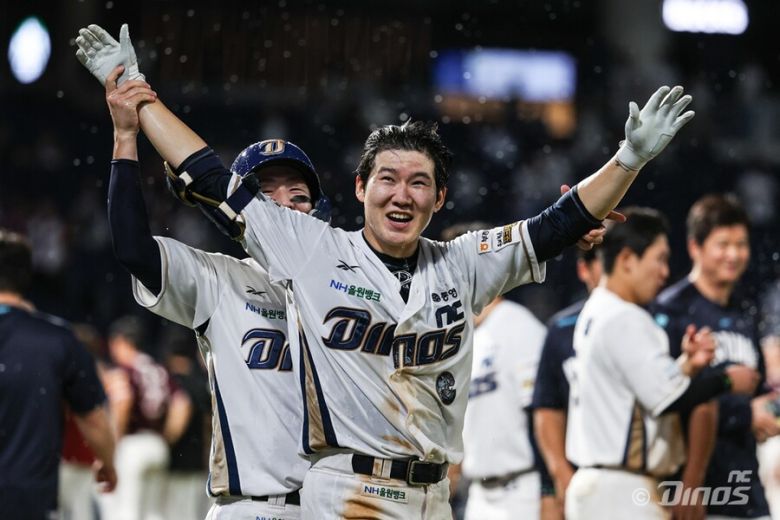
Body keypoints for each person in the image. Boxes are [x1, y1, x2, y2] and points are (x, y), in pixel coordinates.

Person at [78, 24, 694, 518]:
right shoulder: (310, 249)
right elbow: (209, 176)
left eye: (419, 183)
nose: (402, 194)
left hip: (433, 495)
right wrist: (136, 95)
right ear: (360, 188)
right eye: (388, 179)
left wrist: (628, 159)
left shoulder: (461, 264)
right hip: (346, 491)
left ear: (440, 198)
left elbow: (555, 224)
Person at [76, 25, 330, 520]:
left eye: (298, 196)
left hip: (332, 508)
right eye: (266, 195)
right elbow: (134, 250)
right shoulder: (221, 279)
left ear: (320, 211)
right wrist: (125, 137)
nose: (284, 206)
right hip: (248, 507)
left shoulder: (349, 284)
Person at [564, 207, 758, 520]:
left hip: (599, 486)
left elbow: (640, 392)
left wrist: (686, 366)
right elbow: (667, 400)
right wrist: (726, 380)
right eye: (660, 259)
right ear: (628, 259)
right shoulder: (626, 317)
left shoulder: (597, 309)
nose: (665, 272)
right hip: (620, 493)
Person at [653, 194, 774, 519]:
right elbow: (664, 398)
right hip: (691, 494)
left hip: (747, 491)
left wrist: (770, 410)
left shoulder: (744, 314)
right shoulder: (670, 311)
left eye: (741, 244)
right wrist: (743, 413)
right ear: (695, 247)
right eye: (723, 244)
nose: (734, 254)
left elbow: (758, 393)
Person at [0, 229, 116, 520]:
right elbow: (94, 419)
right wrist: (108, 462)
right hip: (27, 498)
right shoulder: (59, 340)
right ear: (26, 277)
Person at [441, 222, 547, 520]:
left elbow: (546, 416)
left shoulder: (519, 327)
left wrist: (550, 490)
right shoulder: (461, 339)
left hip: (523, 490)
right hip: (478, 495)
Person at [530, 247, 602, 519]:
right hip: (579, 473)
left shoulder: (655, 317)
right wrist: (554, 484)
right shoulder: (562, 329)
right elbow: (547, 410)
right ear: (584, 269)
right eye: (604, 261)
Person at [101, 316, 179, 520]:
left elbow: (123, 402)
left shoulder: (125, 370)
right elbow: (180, 403)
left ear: (121, 341)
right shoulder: (158, 369)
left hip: (132, 445)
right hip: (157, 444)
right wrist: (166, 436)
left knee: (126, 510)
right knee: (154, 512)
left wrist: (112, 444)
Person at [160, 333, 212, 520]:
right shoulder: (202, 381)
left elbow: (181, 410)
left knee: (175, 513)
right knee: (193, 513)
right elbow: (208, 424)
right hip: (198, 459)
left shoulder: (176, 381)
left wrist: (165, 443)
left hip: (178, 461)